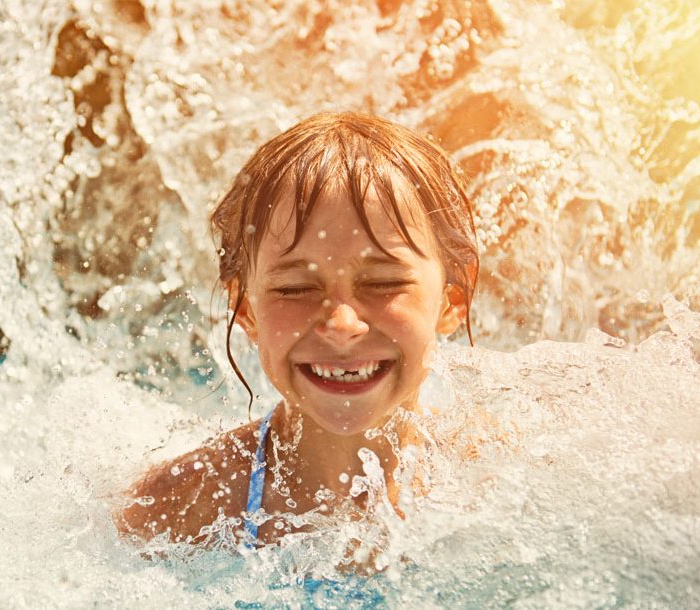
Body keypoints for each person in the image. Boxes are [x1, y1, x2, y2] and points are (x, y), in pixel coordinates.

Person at [116, 111, 479, 550]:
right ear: (245, 308)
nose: (342, 325)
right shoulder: (177, 511)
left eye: (383, 283)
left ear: (453, 300)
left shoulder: (500, 480)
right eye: (296, 288)